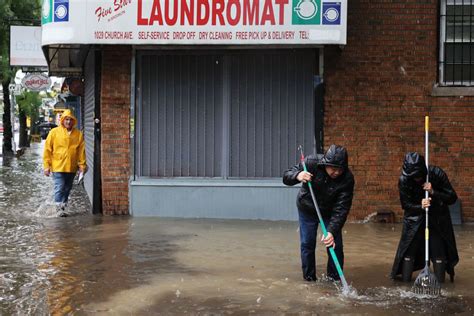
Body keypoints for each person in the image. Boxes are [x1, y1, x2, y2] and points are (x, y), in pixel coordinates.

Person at [283, 144, 355, 281]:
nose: (336, 172)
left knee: (335, 245)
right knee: (307, 243)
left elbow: (342, 208)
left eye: (340, 169)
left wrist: (332, 231)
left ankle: (334, 280)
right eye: (333, 168)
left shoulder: (347, 179)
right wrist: (298, 175)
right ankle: (309, 279)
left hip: (330, 212)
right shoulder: (311, 163)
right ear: (325, 164)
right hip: (307, 209)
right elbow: (286, 176)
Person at [391, 152, 459, 283]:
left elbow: (452, 198)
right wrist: (420, 205)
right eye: (413, 177)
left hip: (437, 218)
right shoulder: (404, 180)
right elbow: (405, 205)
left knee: (438, 249)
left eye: (418, 176)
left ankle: (439, 284)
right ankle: (405, 284)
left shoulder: (436, 174)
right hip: (414, 219)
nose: (416, 179)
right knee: (409, 251)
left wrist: (434, 192)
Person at [43, 109, 87, 217]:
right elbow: (47, 150)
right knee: (60, 186)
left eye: (70, 120)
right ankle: (58, 209)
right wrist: (46, 166)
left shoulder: (78, 134)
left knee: (67, 188)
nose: (68, 122)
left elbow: (81, 152)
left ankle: (63, 207)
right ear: (62, 120)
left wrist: (82, 165)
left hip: (71, 167)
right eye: (66, 119)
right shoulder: (54, 132)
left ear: (74, 121)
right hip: (58, 166)